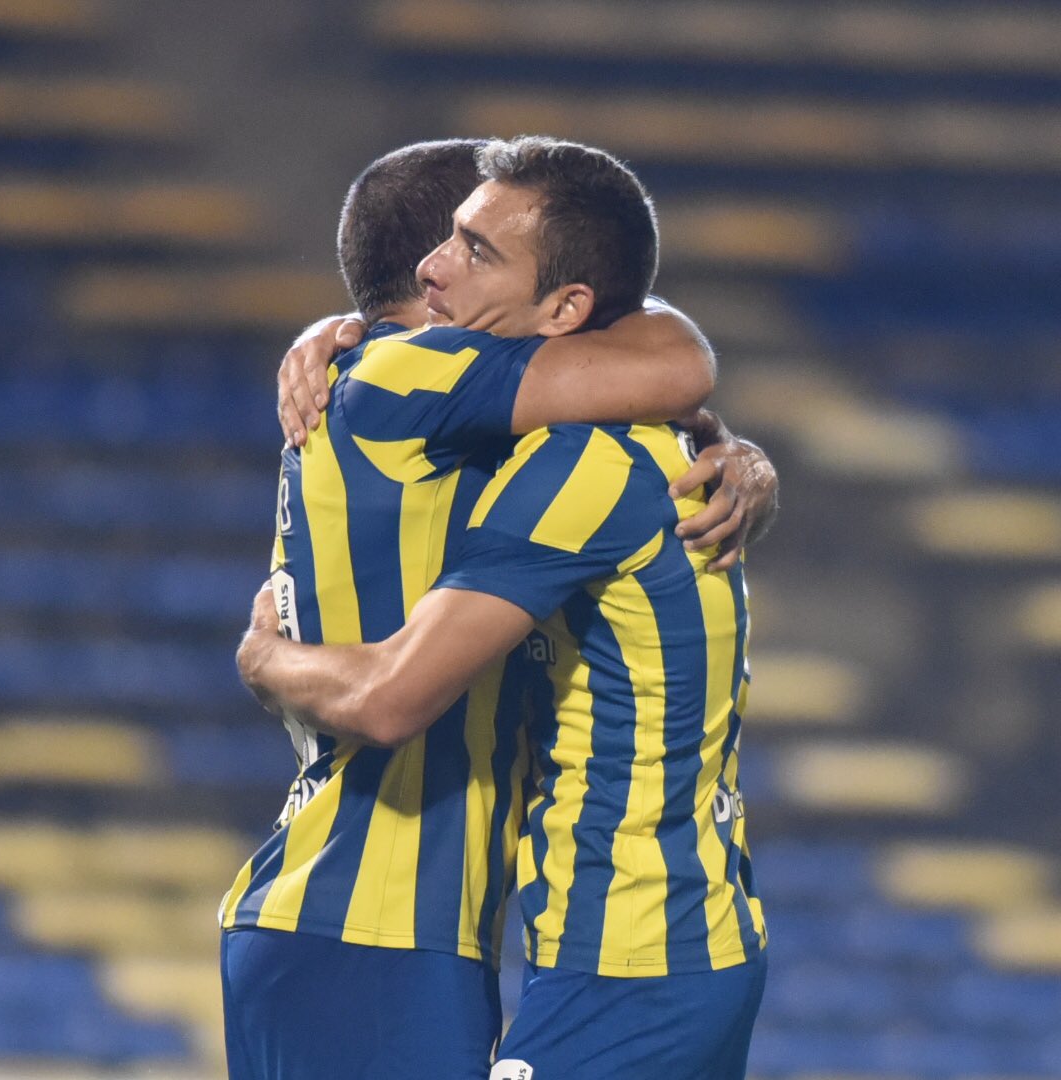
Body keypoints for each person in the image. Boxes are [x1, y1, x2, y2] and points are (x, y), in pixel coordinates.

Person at [220, 136, 777, 1080]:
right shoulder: (407, 377)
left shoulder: (452, 409)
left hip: (371, 927)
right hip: (372, 922)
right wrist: (259, 659)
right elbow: (676, 361)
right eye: (447, 243)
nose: (443, 265)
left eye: (476, 249)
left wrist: (735, 452)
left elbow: (635, 383)